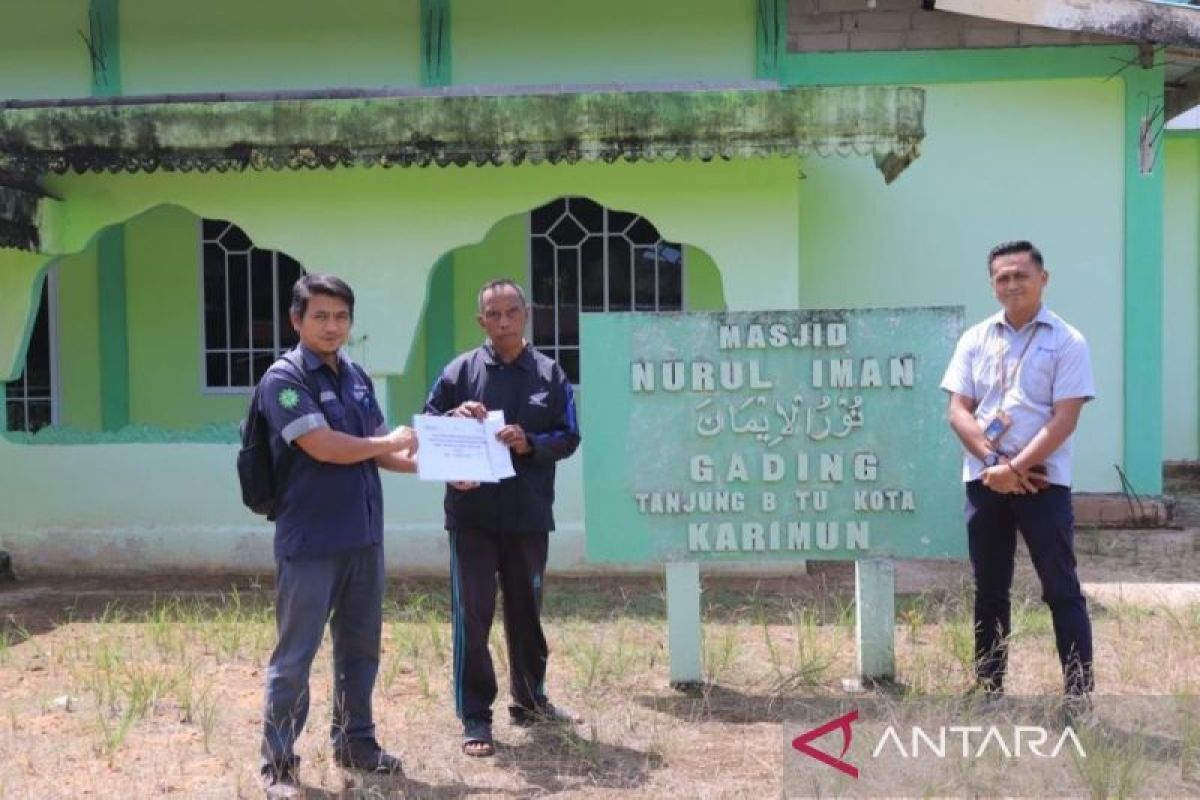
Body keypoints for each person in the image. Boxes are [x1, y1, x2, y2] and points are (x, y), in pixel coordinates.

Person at [257, 273, 417, 797]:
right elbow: (325, 446)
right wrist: (386, 442)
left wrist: (437, 464)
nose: (332, 326)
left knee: (360, 648)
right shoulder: (284, 380)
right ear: (296, 320)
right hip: (311, 542)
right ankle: (278, 765)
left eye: (341, 316)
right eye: (320, 316)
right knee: (295, 657)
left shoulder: (355, 376)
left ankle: (356, 742)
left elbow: (378, 448)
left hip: (362, 537)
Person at [424, 278, 581, 757]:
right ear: (482, 321)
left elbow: (570, 437)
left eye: (512, 311)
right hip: (471, 518)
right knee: (472, 616)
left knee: (526, 612)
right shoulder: (460, 372)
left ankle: (530, 700)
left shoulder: (550, 374)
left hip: (528, 515)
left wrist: (529, 443)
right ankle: (475, 715)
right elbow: (429, 428)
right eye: (494, 315)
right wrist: (455, 414)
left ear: (526, 313)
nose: (504, 321)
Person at [940, 240, 1095, 708]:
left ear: (1042, 279)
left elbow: (1064, 418)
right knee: (989, 590)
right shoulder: (975, 339)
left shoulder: (1067, 341)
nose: (1011, 284)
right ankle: (990, 691)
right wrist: (994, 467)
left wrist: (1016, 467)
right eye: (1002, 277)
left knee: (1061, 589)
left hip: (1043, 483)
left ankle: (1078, 696)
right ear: (992, 284)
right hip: (986, 483)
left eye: (1020, 275)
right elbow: (957, 411)